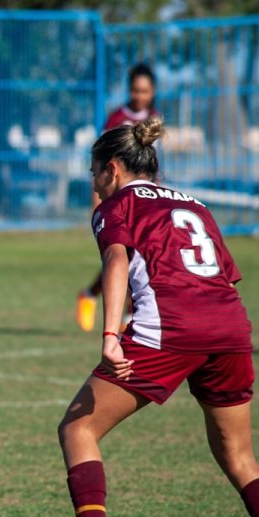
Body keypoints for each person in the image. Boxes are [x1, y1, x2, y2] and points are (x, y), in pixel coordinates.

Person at [32, 115, 259, 517]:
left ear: (112, 169)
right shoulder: (195, 204)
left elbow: (116, 260)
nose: (93, 183)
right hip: (231, 328)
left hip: (171, 327)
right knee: (240, 457)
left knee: (78, 428)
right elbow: (224, 275)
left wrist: (111, 334)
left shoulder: (116, 204)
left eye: (94, 172)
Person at [76, 63, 159, 333]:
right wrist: (97, 201)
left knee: (137, 257)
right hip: (121, 198)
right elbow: (101, 163)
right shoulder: (117, 119)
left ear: (153, 91)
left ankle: (101, 300)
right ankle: (123, 317)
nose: (139, 95)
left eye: (144, 90)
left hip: (146, 197)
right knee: (123, 255)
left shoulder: (155, 119)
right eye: (135, 90)